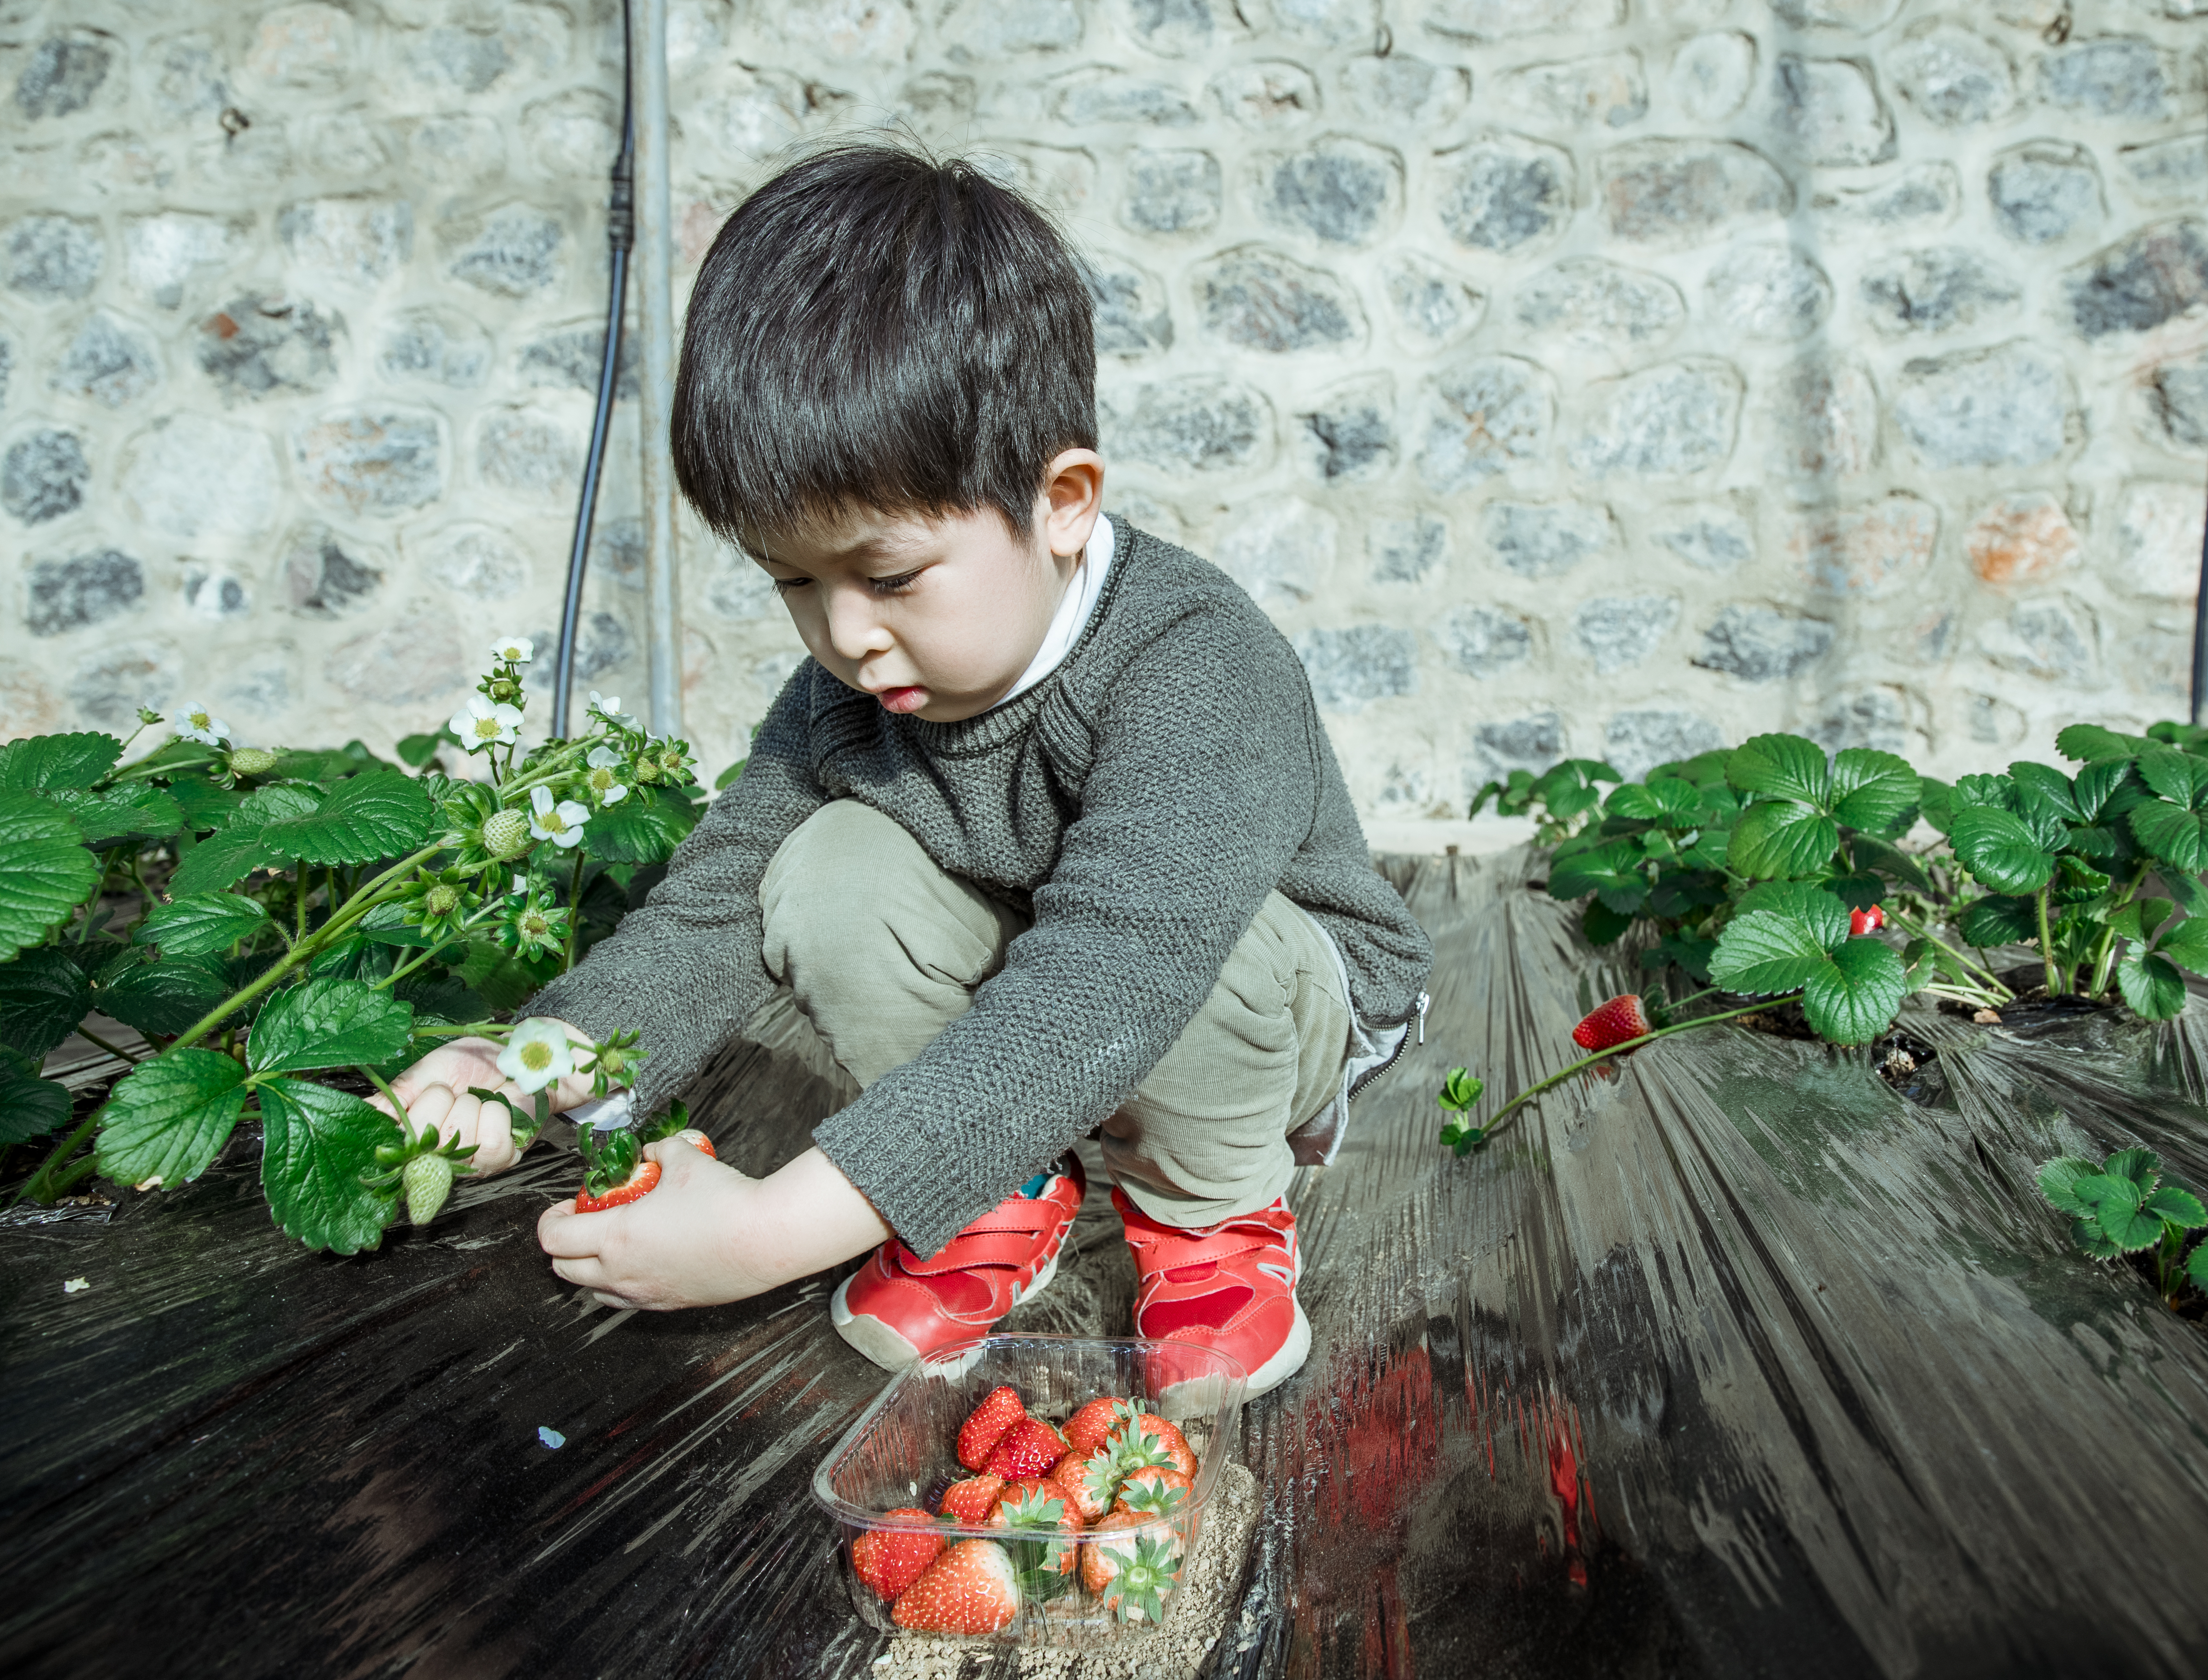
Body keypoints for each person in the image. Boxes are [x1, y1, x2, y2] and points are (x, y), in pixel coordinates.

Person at [369, 140, 1433, 1397]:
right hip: (1037, 986)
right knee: (821, 869)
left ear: (1065, 501)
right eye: (794, 584)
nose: (845, 634)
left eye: (886, 576)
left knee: (1188, 966)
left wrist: (770, 1231)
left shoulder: (1195, 664)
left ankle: (1211, 1216)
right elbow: (710, 908)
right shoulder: (845, 693)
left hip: (1259, 997)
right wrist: (524, 1070)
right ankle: (991, 1180)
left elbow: (1110, 983)